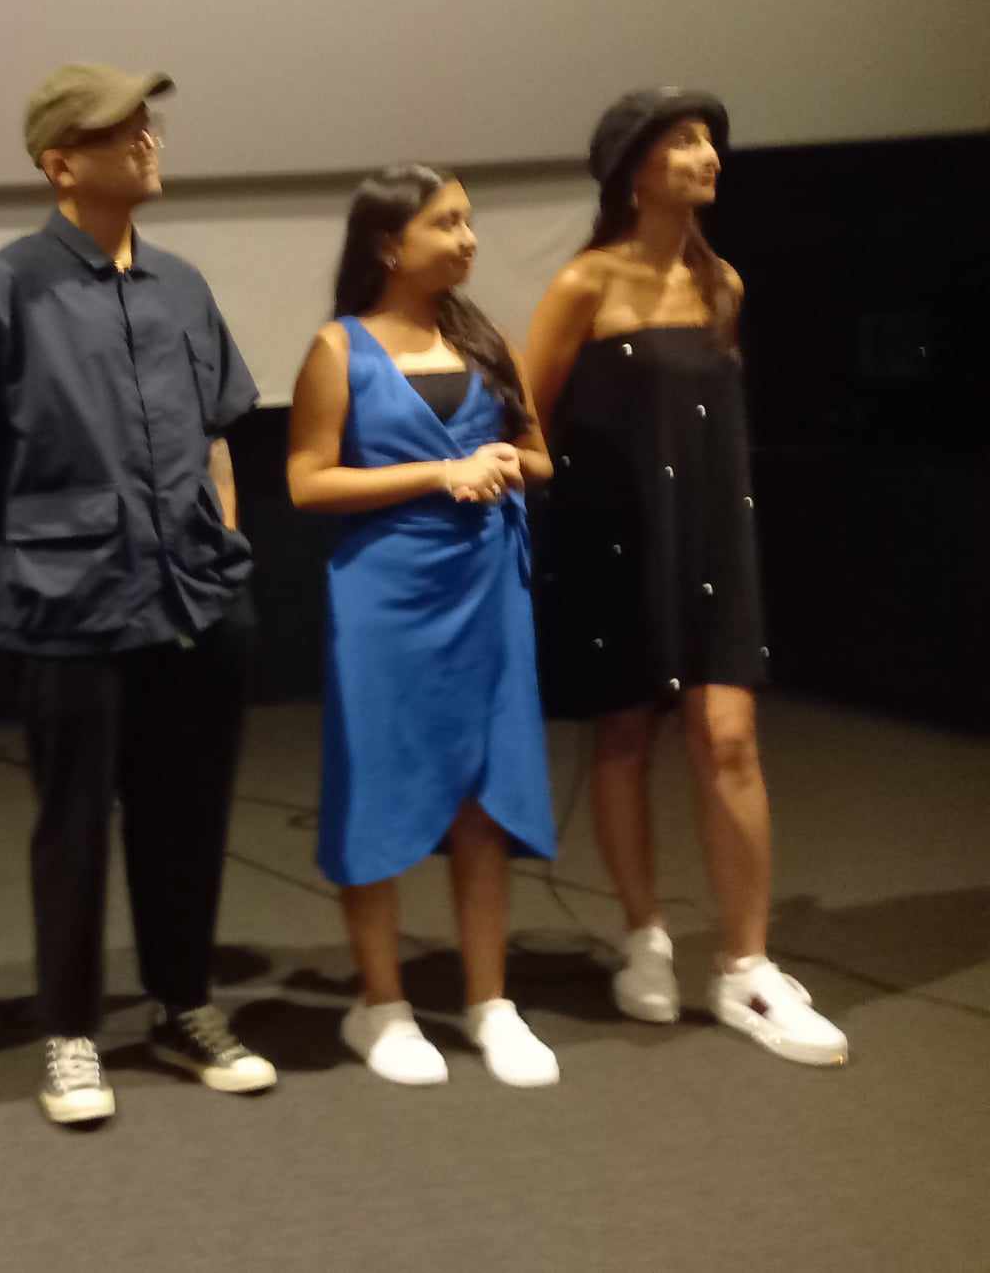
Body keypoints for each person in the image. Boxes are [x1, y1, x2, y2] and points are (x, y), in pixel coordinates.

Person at [0, 64, 276, 1127]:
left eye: (148, 126)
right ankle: (70, 1032)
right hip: (69, 598)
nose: (146, 143)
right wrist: (53, 518)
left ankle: (183, 1005)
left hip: (196, 593)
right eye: (119, 132)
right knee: (72, 822)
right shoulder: (6, 286)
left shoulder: (182, 286)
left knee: (187, 812)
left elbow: (216, 429)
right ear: (59, 163)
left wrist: (225, 539)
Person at [525, 88, 847, 1067]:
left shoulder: (723, 284)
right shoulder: (586, 281)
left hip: (709, 535)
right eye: (681, 141)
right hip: (615, 535)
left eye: (709, 140)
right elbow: (528, 412)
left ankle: (746, 964)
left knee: (729, 736)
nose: (706, 155)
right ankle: (644, 937)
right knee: (624, 736)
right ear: (633, 169)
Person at [286, 165, 561, 1088]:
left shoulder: (487, 341)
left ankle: (490, 1002)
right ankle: (383, 1006)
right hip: (385, 600)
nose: (468, 239)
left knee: (485, 794)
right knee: (379, 784)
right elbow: (307, 482)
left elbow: (539, 459)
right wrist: (441, 474)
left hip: (487, 592)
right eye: (446, 223)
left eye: (469, 221)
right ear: (388, 244)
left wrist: (504, 463)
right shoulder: (340, 348)